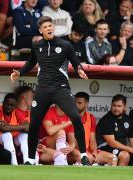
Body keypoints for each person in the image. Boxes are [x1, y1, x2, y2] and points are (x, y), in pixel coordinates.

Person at [10, 16, 90, 165]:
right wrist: (20, 73)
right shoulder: (36, 45)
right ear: (41, 30)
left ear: (53, 27)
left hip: (61, 89)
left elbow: (75, 62)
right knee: (33, 124)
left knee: (76, 117)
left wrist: (80, 70)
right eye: (45, 27)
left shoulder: (65, 45)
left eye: (50, 26)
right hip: (43, 90)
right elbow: (30, 62)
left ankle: (84, 155)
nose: (49, 28)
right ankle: (30, 159)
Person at [96, 94, 133, 166]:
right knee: (125, 155)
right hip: (105, 148)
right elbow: (111, 143)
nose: (116, 109)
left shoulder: (127, 119)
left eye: (119, 106)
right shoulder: (106, 120)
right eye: (114, 105)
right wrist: (131, 149)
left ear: (124, 107)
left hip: (121, 148)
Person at [74, 92, 117, 166]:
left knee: (113, 158)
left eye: (79, 103)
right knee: (89, 158)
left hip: (88, 150)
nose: (76, 105)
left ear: (86, 104)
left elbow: (92, 139)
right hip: (75, 150)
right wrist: (84, 152)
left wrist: (94, 151)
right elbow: (73, 140)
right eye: (75, 102)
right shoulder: (71, 116)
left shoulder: (91, 117)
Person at [0, 93, 29, 165]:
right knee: (7, 135)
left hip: (11, 140)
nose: (9, 107)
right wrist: (22, 127)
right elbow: (3, 128)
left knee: (24, 136)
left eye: (11, 105)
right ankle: (13, 164)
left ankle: (27, 162)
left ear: (15, 106)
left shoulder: (16, 112)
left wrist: (8, 126)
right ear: (3, 102)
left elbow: (28, 127)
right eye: (7, 104)